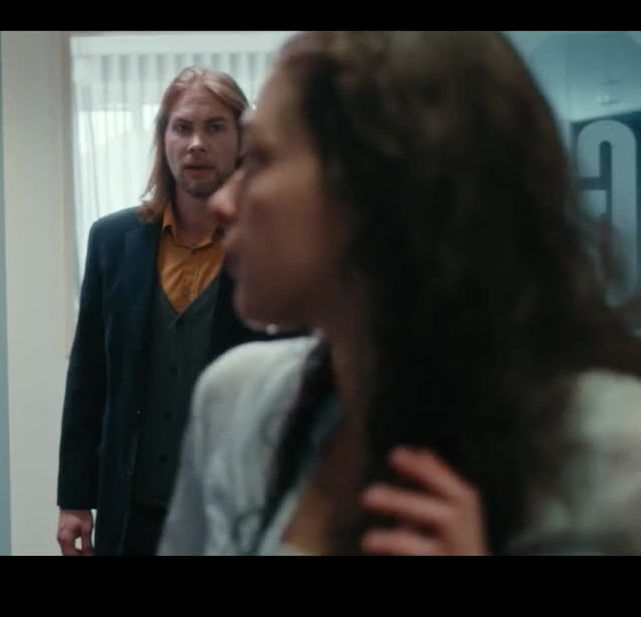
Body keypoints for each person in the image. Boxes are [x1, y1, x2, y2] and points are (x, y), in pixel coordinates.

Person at [158, 31, 641, 556]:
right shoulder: (236, 404)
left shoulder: (615, 462)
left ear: (376, 185)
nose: (224, 203)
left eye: (259, 158)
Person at [56, 67, 285, 556]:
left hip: (233, 512)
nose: (196, 144)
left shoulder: (272, 245)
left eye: (215, 127)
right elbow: (89, 378)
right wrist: (74, 499)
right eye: (182, 127)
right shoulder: (112, 241)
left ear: (242, 140)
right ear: (164, 139)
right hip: (132, 512)